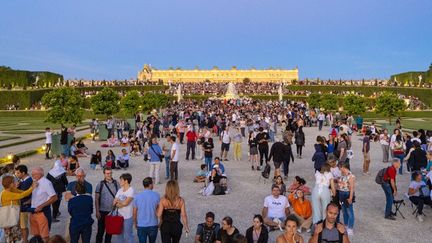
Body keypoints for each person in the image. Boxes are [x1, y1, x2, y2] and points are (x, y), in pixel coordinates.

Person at [1, 174, 36, 243]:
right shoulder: (6, 193)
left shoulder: (12, 190)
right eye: (13, 181)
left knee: (15, 236)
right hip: (9, 217)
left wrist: (31, 188)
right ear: (10, 184)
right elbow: (21, 195)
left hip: (13, 216)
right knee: (11, 237)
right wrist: (32, 188)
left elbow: (23, 192)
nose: (15, 183)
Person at [30, 167, 58, 242]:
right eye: (32, 174)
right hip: (33, 213)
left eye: (34, 174)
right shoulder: (35, 182)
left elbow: (54, 197)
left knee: (44, 236)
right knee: (36, 236)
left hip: (42, 213)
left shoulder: (46, 183)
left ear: (40, 174)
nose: (32, 176)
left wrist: (41, 206)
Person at [95, 167, 120, 243]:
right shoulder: (100, 184)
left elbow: (119, 196)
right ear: (104, 174)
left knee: (109, 233)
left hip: (111, 212)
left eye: (110, 173)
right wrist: (97, 211)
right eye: (107, 173)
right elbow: (96, 199)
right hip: (102, 211)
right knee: (100, 232)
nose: (109, 175)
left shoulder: (116, 183)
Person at [133, 177, 160, 243]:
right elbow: (159, 210)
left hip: (141, 225)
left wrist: (135, 222)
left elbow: (134, 212)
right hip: (153, 224)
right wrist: (161, 221)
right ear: (150, 184)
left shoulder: (137, 196)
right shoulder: (156, 195)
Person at [14, 165, 33, 243]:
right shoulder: (23, 180)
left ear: (23, 173)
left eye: (18, 173)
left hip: (24, 206)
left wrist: (15, 188)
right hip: (23, 205)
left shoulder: (27, 181)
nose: (16, 174)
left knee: (23, 226)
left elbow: (23, 194)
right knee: (23, 226)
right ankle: (25, 240)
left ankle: (25, 241)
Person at [114, 173, 135, 243]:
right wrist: (122, 203)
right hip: (119, 216)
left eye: (121, 180)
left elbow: (126, 203)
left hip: (128, 217)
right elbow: (114, 203)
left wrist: (119, 202)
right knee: (119, 234)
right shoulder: (120, 190)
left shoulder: (131, 190)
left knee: (128, 235)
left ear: (126, 181)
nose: (120, 181)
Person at [338, 163, 355, 236]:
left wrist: (350, 198)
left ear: (343, 167)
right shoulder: (342, 174)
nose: (339, 169)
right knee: (344, 211)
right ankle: (346, 225)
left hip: (347, 194)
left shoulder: (351, 176)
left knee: (349, 211)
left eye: (339, 167)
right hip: (341, 194)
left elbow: (352, 188)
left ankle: (350, 228)